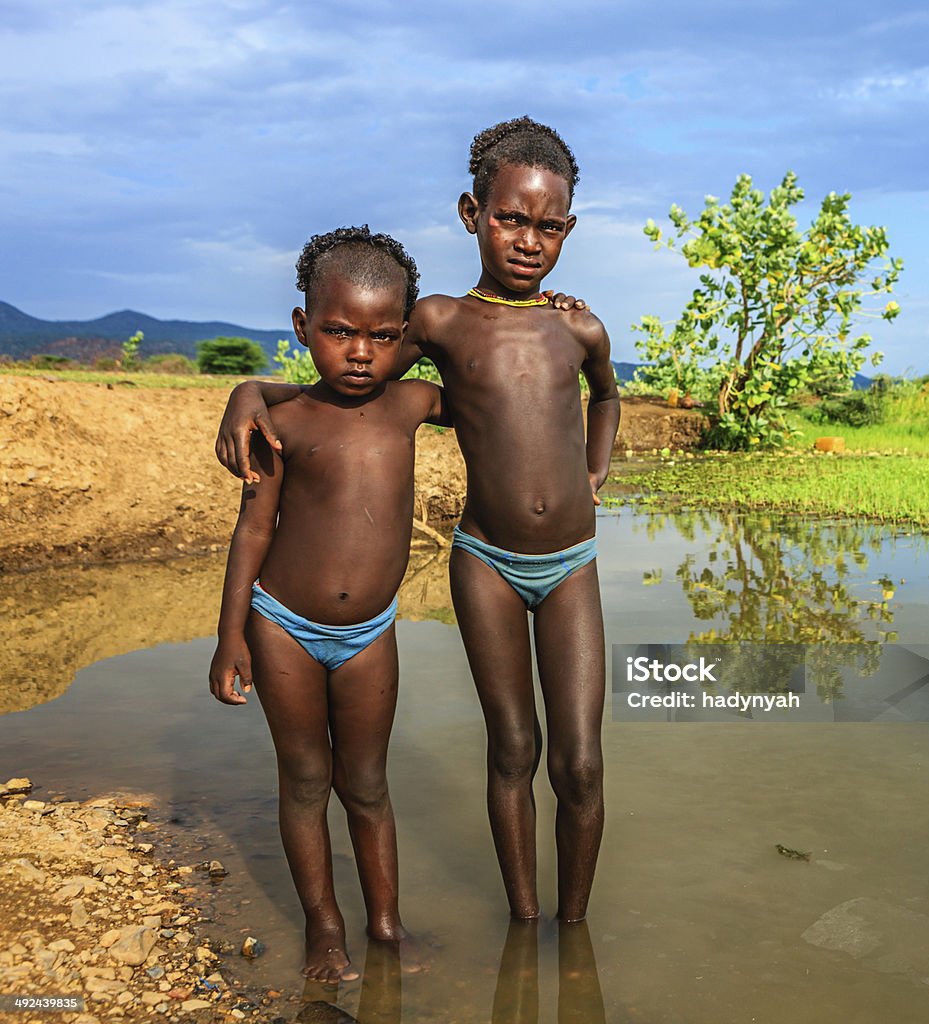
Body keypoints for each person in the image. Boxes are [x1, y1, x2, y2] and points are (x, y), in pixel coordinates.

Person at [216, 116, 620, 923]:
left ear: (568, 230)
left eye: (547, 227)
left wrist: (595, 469)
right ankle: (524, 924)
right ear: (473, 214)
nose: (528, 240)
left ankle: (571, 938)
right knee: (514, 748)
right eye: (510, 218)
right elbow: (350, 379)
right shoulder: (436, 320)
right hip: (487, 560)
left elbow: (607, 394)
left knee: (580, 763)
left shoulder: (578, 324)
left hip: (572, 560)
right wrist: (250, 391)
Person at [208, 226, 448, 984]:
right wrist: (229, 638)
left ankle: (387, 926)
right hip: (282, 626)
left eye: (383, 336)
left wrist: (540, 309)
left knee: (369, 785)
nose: (360, 352)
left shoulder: (412, 404)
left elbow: (492, 375)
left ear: (405, 336)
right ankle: (325, 927)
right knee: (307, 780)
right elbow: (253, 532)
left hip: (371, 633)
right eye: (339, 331)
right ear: (302, 326)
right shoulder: (280, 425)